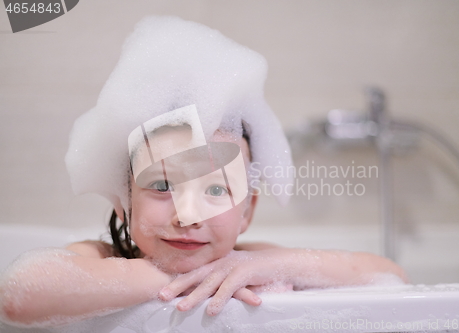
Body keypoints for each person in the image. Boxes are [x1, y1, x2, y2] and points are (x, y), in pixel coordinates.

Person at [0, 16, 408, 326]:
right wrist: (171, 278)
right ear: (123, 204)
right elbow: (18, 295)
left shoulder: (248, 261)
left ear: (247, 211)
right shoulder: (104, 257)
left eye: (216, 191)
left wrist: (269, 266)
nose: (188, 214)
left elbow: (388, 276)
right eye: (162, 185)